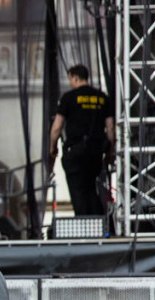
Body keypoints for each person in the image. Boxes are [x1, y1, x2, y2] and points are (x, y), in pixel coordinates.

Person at [48, 64, 115, 217]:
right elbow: (110, 128)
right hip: (95, 151)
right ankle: (99, 225)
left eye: (70, 79)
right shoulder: (102, 98)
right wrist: (110, 152)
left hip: (75, 151)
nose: (70, 82)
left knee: (78, 191)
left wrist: (53, 148)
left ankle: (84, 225)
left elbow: (57, 127)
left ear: (75, 77)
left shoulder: (68, 98)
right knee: (91, 188)